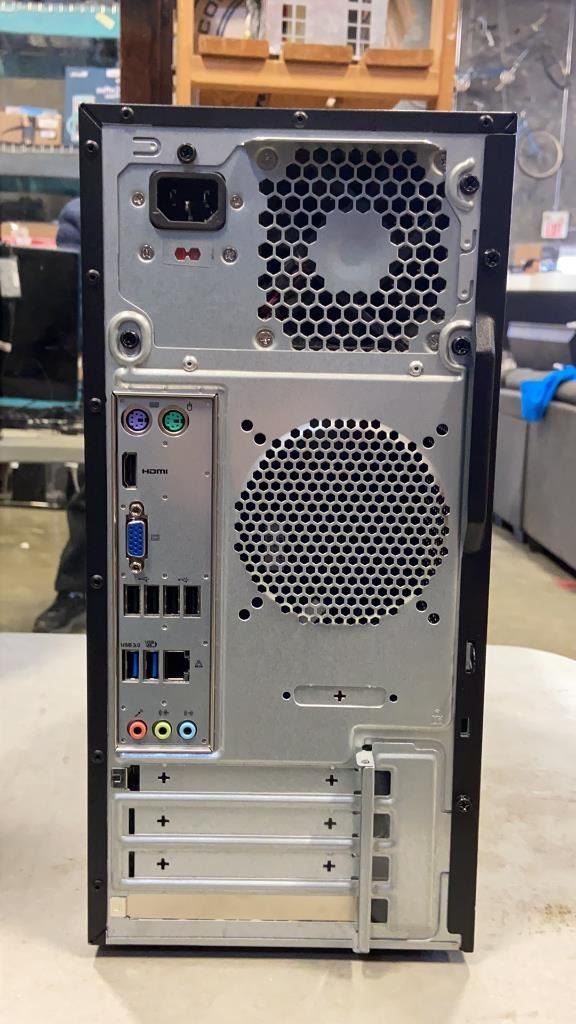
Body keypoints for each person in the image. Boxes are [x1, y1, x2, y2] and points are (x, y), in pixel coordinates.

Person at [34, 198, 86, 633]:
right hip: (119, 379)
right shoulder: (83, 216)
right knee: (103, 489)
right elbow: (68, 310)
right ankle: (75, 590)